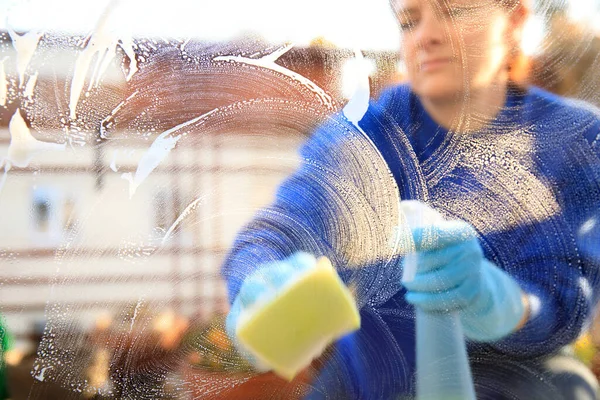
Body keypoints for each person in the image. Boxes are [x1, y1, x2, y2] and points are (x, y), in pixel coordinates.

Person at [222, 0, 600, 398]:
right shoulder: (366, 136)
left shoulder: (575, 141)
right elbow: (282, 229)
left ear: (514, 21)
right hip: (368, 383)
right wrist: (258, 281)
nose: (426, 36)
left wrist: (501, 301)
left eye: (454, 12)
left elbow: (567, 300)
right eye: (408, 21)